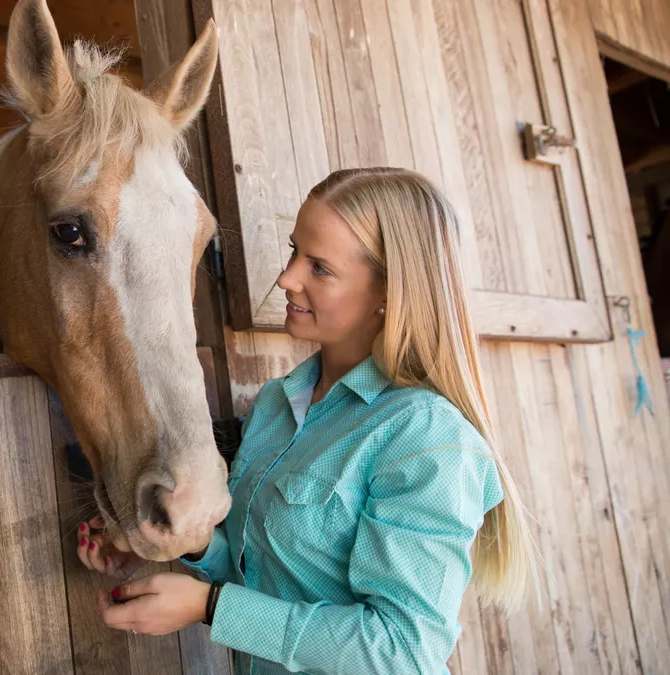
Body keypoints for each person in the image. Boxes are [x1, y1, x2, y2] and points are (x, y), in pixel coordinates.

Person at [76, 167, 537, 674]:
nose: (286, 278)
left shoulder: (427, 438)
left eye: (320, 268)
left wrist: (207, 607)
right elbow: (269, 575)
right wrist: (182, 543)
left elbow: (402, 652)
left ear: (388, 293)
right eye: (295, 250)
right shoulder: (278, 403)